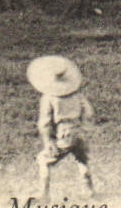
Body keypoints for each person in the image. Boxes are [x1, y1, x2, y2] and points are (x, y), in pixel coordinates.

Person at [26, 54, 95, 200]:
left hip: (64, 134)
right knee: (82, 158)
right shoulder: (78, 96)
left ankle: (44, 194)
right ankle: (89, 190)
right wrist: (85, 129)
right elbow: (89, 113)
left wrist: (48, 142)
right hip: (79, 132)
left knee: (43, 160)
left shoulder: (49, 98)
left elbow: (44, 122)